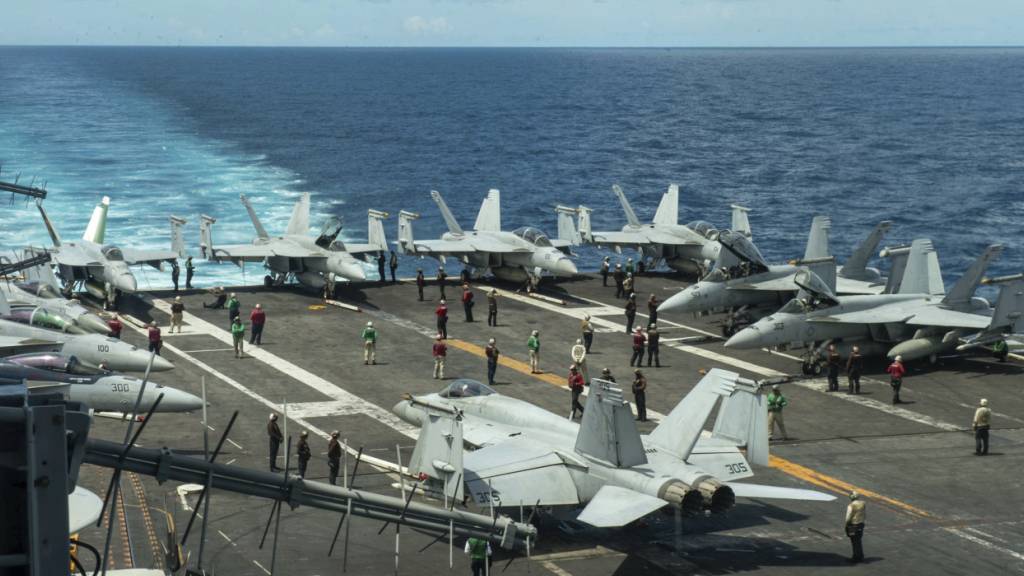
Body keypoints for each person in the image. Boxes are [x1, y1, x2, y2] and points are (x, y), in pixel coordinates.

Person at [845, 492, 866, 563]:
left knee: (854, 541)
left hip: (853, 525)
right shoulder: (863, 503)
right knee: (859, 540)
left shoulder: (851, 506)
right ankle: (861, 556)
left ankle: (856, 557)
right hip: (861, 524)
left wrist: (847, 525)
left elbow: (848, 518)